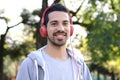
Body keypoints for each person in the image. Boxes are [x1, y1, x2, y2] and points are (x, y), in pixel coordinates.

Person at [16, 3, 92, 80]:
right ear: (44, 29)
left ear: (71, 29)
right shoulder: (31, 64)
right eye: (54, 24)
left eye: (65, 23)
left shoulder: (80, 65)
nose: (61, 29)